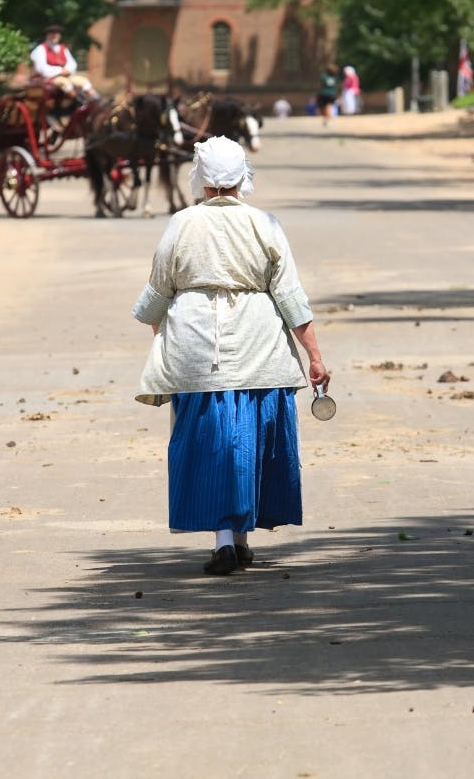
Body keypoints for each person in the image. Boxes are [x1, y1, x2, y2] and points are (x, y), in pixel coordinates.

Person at [131, 136, 330, 576]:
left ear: (200, 179)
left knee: (213, 442)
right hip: (261, 349)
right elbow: (292, 298)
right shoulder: (266, 224)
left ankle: (226, 541)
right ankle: (238, 541)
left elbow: (159, 287)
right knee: (247, 443)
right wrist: (314, 356)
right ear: (243, 177)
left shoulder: (181, 223)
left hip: (197, 348)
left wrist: (156, 320)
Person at [30, 24, 100, 102]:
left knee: (83, 81)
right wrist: (60, 71)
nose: (55, 35)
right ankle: (79, 103)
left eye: (57, 33)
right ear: (47, 35)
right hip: (49, 78)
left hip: (66, 75)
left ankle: (97, 100)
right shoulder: (40, 49)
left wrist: (67, 70)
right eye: (52, 33)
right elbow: (41, 68)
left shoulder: (63, 48)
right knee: (65, 83)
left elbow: (72, 63)